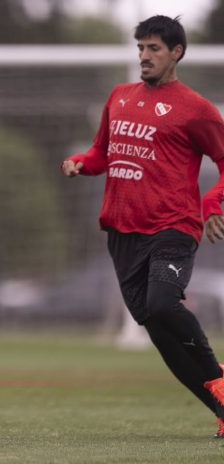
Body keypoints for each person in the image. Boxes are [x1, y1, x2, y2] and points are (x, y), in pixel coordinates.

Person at [61, 15, 224, 438]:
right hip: (123, 232)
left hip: (173, 226)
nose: (144, 56)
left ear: (177, 53)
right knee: (160, 332)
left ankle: (219, 379)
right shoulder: (119, 97)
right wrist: (81, 163)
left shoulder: (196, 109)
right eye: (140, 48)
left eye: (153, 48)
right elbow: (103, 153)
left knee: (164, 304)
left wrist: (213, 201)